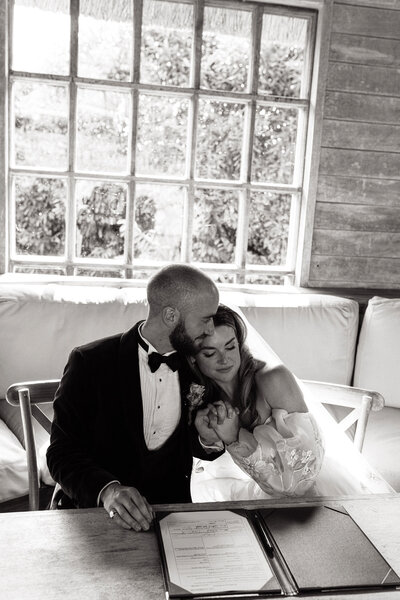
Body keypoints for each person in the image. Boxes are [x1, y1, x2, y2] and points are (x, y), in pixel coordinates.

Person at [46, 264, 224, 531]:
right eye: (205, 319)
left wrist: (206, 439)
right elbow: (61, 452)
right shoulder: (90, 362)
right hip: (92, 515)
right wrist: (108, 490)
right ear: (171, 315)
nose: (211, 329)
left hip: (169, 519)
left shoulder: (198, 367)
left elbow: (187, 448)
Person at [190, 304, 388, 501]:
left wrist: (234, 437)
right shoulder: (198, 396)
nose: (225, 359)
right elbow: (202, 460)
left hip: (307, 497)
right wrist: (207, 439)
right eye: (210, 353)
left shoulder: (273, 379)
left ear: (239, 343)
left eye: (230, 346)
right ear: (192, 358)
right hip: (234, 490)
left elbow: (301, 480)